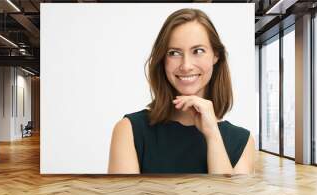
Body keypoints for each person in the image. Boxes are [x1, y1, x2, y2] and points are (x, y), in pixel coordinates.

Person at [108, 8, 255, 174]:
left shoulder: (242, 140)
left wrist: (213, 135)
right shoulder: (129, 130)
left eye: (198, 51)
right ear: (163, 60)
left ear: (216, 55)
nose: (186, 65)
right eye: (174, 53)